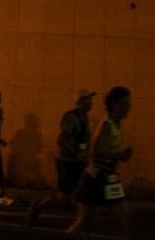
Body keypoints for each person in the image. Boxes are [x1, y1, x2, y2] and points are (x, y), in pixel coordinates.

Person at [66, 86, 132, 240]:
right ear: (115, 104)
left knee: (123, 214)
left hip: (109, 177)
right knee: (84, 219)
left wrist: (120, 156)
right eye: (126, 103)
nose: (129, 107)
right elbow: (94, 153)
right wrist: (119, 155)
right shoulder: (106, 124)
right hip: (95, 178)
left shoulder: (117, 123)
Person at [27, 88, 95, 227]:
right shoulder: (71, 118)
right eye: (88, 99)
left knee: (80, 194)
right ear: (81, 101)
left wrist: (85, 155)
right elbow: (62, 140)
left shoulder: (85, 117)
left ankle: (81, 222)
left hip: (77, 162)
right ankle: (37, 207)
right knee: (63, 197)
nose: (91, 102)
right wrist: (75, 151)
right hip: (67, 162)